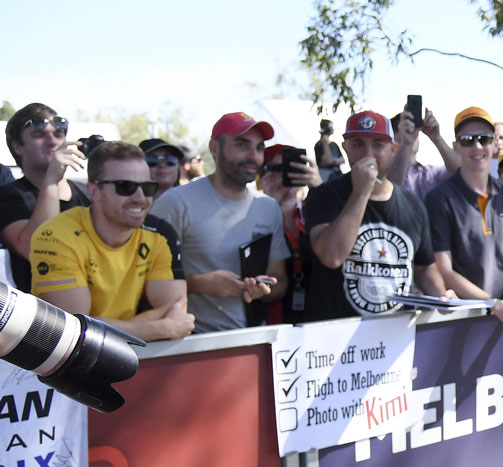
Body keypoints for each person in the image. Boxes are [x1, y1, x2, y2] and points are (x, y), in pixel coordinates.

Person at [31, 141, 194, 341]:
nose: (140, 197)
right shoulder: (55, 236)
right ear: (94, 191)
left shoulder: (160, 233)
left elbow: (174, 308)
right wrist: (160, 329)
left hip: (135, 357)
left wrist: (101, 327)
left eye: (148, 187)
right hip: (64, 365)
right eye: (125, 187)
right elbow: (74, 331)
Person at [303, 110, 450, 321]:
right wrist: (362, 192)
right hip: (336, 340)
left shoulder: (413, 205)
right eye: (358, 144)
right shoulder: (324, 196)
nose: (368, 153)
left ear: (394, 149)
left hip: (394, 337)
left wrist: (440, 295)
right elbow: (331, 256)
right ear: (345, 148)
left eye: (378, 145)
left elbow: (424, 266)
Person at [151, 111, 288, 332]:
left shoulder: (268, 207)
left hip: (253, 340)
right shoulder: (175, 203)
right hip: (190, 343)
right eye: (242, 145)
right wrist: (200, 284)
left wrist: (263, 288)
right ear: (214, 148)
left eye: (259, 148)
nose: (253, 156)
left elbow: (280, 281)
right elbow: (140, 279)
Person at [425, 106, 503, 330]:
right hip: (460, 322)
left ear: (495, 145)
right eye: (467, 140)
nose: (476, 146)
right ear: (456, 147)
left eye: (484, 139)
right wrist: (494, 306)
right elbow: (444, 271)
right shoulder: (439, 199)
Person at [0, 104, 90, 290]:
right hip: (44, 313)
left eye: (58, 134)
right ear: (17, 146)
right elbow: (33, 248)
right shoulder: (9, 196)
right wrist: (51, 181)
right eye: (39, 135)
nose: (52, 141)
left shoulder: (88, 192)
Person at [257, 143, 324, 324]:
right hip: (273, 314)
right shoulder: (254, 215)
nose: (286, 175)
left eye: (294, 168)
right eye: (277, 168)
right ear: (263, 175)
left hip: (315, 310)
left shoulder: (316, 210)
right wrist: (271, 204)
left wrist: (320, 189)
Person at [386, 104, 460, 201]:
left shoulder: (431, 174)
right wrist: (406, 143)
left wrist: (437, 137)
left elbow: (460, 174)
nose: (410, 135)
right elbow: (391, 188)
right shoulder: (382, 174)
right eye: (400, 135)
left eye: (413, 132)